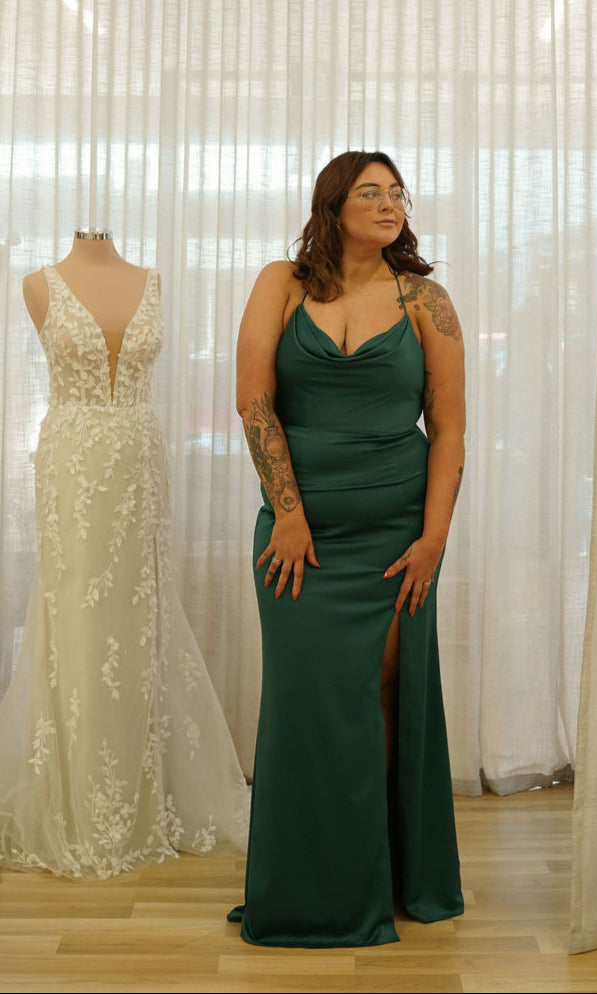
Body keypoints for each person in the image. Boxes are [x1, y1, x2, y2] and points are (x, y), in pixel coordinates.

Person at [228, 151, 465, 947]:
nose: (390, 204)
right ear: (333, 207)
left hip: (397, 536)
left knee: (380, 698)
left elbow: (450, 429)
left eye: (397, 193)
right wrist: (287, 514)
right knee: (307, 704)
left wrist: (433, 540)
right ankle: (309, 887)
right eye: (371, 192)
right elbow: (254, 402)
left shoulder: (426, 300)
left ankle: (380, 877)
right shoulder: (282, 282)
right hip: (297, 536)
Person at [0, 229, 250, 879]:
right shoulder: (38, 284)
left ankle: (141, 792)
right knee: (76, 616)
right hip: (73, 463)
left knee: (139, 614)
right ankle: (81, 801)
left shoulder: (152, 281)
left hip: (139, 457)